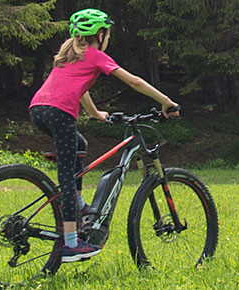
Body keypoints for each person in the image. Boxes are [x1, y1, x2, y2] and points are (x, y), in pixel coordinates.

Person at [29, 8, 180, 263]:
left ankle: (77, 204)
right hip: (59, 114)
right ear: (100, 35)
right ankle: (70, 244)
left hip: (38, 110)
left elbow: (80, 89)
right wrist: (166, 101)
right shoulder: (95, 56)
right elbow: (133, 81)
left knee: (79, 145)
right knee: (67, 176)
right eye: (106, 33)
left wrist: (96, 113)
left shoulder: (69, 57)